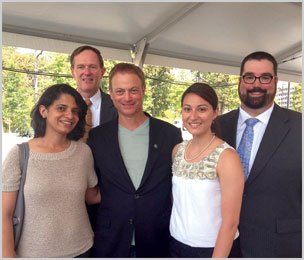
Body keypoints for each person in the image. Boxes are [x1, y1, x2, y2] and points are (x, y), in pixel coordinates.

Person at [87, 63, 183, 257]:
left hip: (157, 239)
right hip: (111, 239)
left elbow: (177, 186)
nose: (127, 98)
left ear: (143, 90)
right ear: (111, 94)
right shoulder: (97, 137)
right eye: (120, 91)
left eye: (133, 90)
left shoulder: (169, 134)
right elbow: (92, 185)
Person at [216, 51, 302, 257]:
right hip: (222, 244)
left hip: (280, 246)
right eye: (249, 77)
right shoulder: (217, 126)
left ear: (276, 81)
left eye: (265, 77)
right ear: (240, 81)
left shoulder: (300, 126)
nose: (256, 84)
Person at [2, 84, 101, 258]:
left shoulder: (83, 152)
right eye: (61, 108)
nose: (70, 116)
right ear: (43, 111)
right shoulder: (19, 155)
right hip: (32, 254)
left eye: (75, 111)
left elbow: (91, 196)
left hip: (82, 250)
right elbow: (5, 214)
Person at [169, 83, 244, 258]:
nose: (193, 116)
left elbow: (231, 223)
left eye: (201, 109)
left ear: (215, 112)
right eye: (187, 109)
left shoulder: (227, 157)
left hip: (214, 249)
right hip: (176, 243)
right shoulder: (177, 151)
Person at [70, 45, 117, 129]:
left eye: (92, 67)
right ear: (73, 72)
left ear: (102, 72)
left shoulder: (118, 107)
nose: (87, 72)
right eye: (81, 67)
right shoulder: (60, 107)